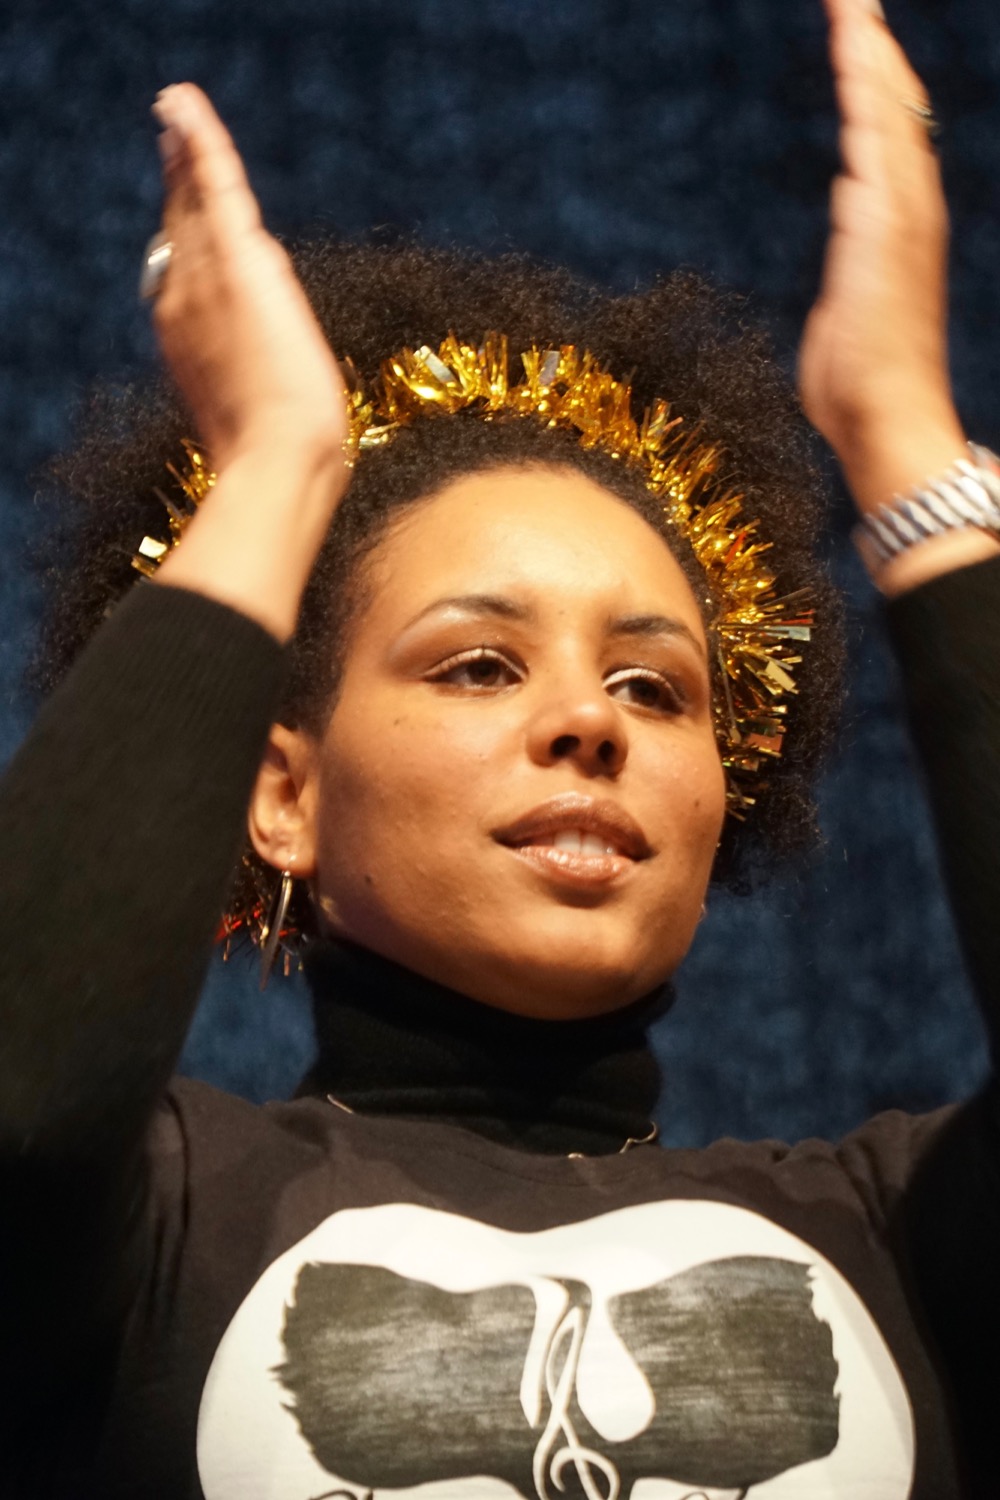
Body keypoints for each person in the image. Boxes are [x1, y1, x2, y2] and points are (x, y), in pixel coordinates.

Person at [2, 0, 997, 1495]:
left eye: (659, 691)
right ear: (280, 791)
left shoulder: (904, 1238)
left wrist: (909, 442)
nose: (590, 720)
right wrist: (280, 460)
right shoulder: (156, 1222)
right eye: (479, 663)